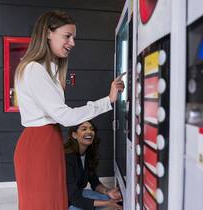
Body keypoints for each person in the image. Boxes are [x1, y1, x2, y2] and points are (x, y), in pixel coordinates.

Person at [13, 10, 124, 210]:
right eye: (67, 36)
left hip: (46, 142)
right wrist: (108, 100)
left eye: (73, 37)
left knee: (54, 203)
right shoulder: (34, 69)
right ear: (48, 33)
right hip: (40, 145)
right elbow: (65, 116)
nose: (72, 42)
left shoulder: (45, 69)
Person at [65, 120, 123, 210]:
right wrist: (107, 203)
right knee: (106, 202)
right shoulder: (68, 158)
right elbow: (74, 198)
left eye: (91, 129)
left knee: (112, 198)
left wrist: (108, 192)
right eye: (84, 129)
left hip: (79, 194)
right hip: (66, 200)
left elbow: (94, 182)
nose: (89, 132)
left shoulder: (88, 153)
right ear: (74, 135)